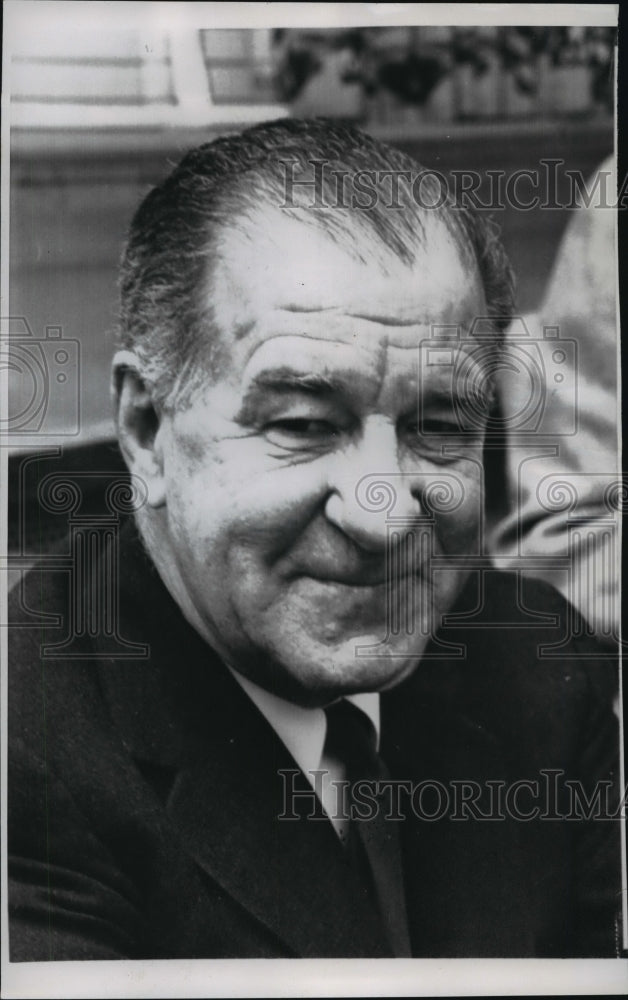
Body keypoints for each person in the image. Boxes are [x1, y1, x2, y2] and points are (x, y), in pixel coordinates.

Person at [8, 119, 621, 960]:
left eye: (439, 426)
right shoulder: (27, 759)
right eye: (302, 424)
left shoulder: (543, 676)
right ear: (146, 430)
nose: (385, 513)